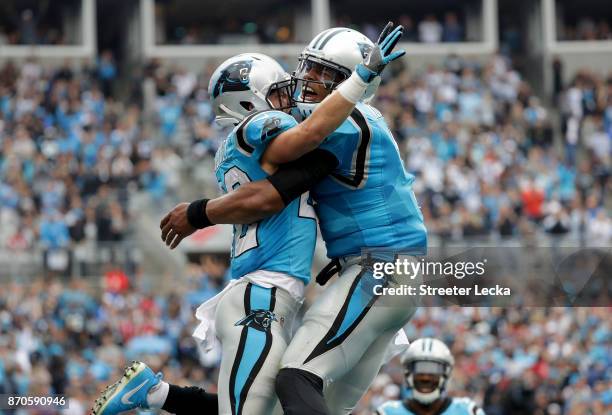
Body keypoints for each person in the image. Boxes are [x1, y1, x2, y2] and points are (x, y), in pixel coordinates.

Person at [92, 22, 405, 415]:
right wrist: (358, 80)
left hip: (270, 294)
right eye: (276, 92)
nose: (292, 95)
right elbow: (298, 150)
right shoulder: (258, 124)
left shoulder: (240, 146)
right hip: (261, 294)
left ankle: (157, 395)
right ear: (248, 101)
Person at [377, 338, 485, 415]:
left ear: (445, 374)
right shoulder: (387, 411)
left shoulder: (468, 410)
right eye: (420, 371)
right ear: (408, 373)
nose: (426, 378)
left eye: (432, 372)